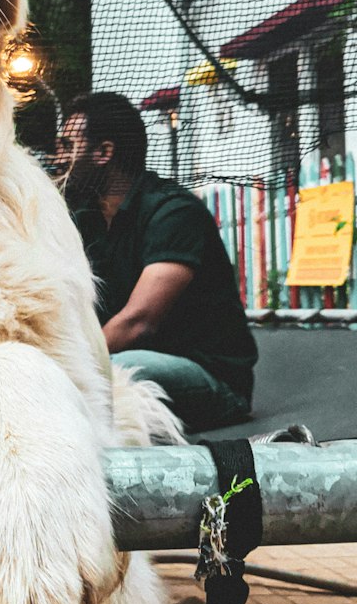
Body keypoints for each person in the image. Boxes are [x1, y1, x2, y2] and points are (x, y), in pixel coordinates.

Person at [56, 91, 257, 431]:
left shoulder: (173, 212)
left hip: (211, 378)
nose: (58, 156)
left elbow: (139, 322)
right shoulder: (84, 219)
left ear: (104, 152)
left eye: (66, 145)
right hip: (122, 359)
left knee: (119, 371)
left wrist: (68, 369)